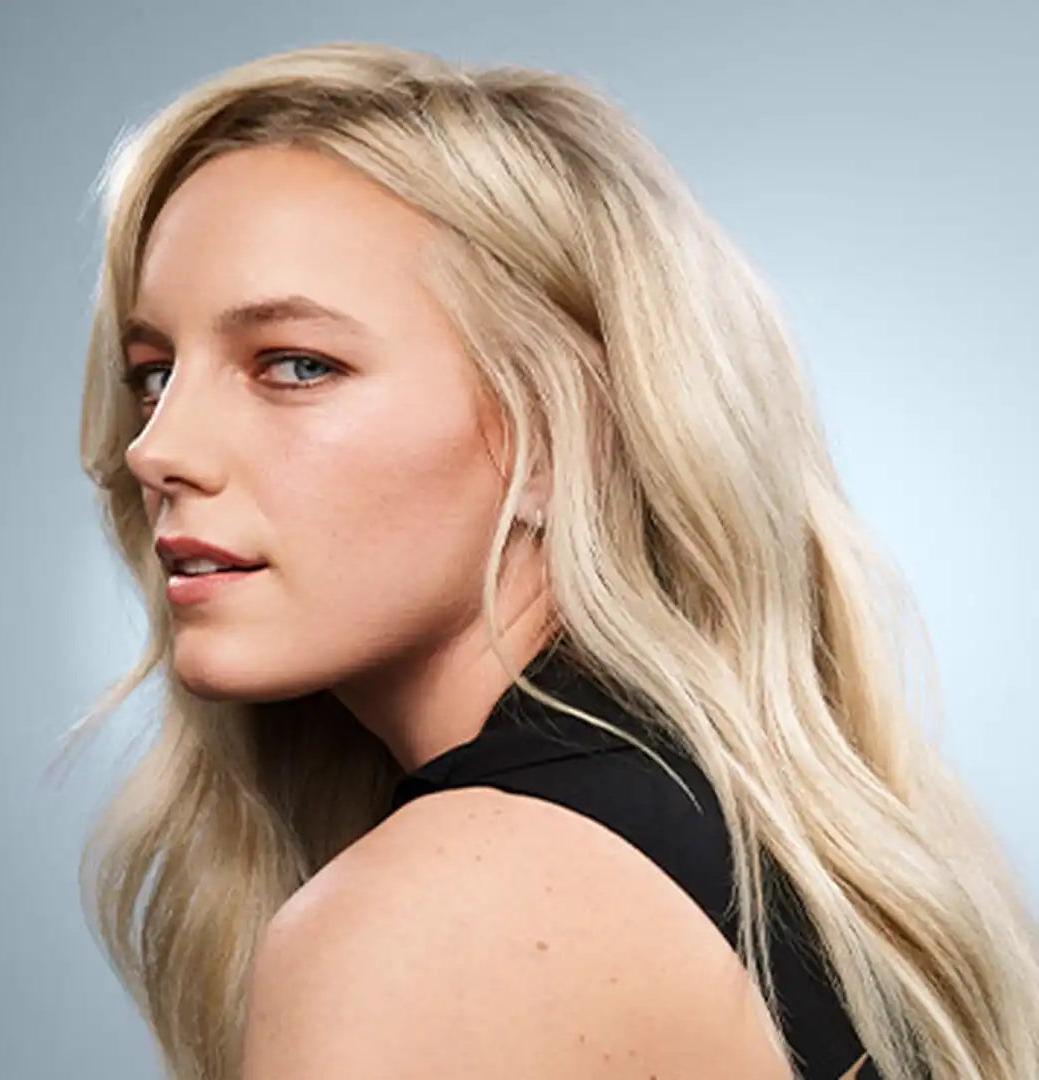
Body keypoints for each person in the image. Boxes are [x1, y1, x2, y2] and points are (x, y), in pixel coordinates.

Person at [53, 41, 1039, 1080]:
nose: (154, 449)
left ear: (563, 436)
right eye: (155, 375)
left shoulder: (432, 928)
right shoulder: (747, 844)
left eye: (297, 365)